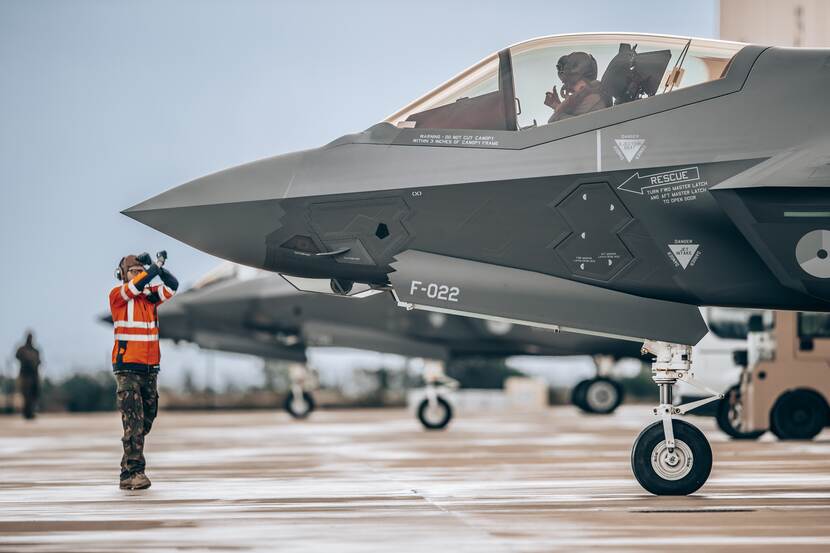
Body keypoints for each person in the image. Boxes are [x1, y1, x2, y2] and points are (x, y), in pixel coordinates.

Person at [109, 252, 178, 490]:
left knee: (146, 420)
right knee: (134, 423)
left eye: (140, 271)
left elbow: (173, 286)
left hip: (150, 370)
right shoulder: (118, 296)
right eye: (133, 272)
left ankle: (126, 469)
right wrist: (153, 269)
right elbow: (134, 288)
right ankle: (135, 473)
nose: (139, 275)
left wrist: (156, 268)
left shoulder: (150, 297)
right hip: (127, 369)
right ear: (122, 275)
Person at [544, 51, 609, 123]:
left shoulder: (594, 99)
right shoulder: (589, 97)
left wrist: (559, 108)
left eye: (572, 83)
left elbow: (557, 123)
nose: (570, 90)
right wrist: (557, 105)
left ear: (584, 83)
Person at [15, 332, 41, 420]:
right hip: (25, 376)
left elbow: (39, 361)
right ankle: (27, 413)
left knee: (34, 394)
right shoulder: (22, 349)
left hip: (34, 375)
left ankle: (31, 412)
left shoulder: (35, 350)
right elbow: (17, 356)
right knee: (26, 395)